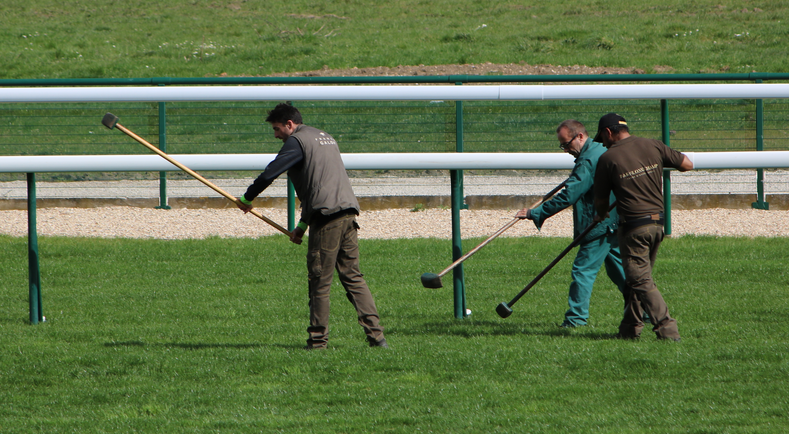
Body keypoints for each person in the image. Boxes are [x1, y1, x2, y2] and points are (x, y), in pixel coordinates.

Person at [237, 103, 387, 350]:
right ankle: (377, 338)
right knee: (353, 277)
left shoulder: (296, 142)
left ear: (289, 124)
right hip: (347, 212)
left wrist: (247, 198)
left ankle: (317, 343)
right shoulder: (324, 137)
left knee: (319, 280)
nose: (275, 135)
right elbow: (318, 184)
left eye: (277, 129)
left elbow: (270, 173)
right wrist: (302, 225)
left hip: (327, 219)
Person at [516, 119, 639, 328]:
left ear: (580, 136)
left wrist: (536, 213)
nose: (565, 150)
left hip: (599, 224)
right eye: (562, 146)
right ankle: (643, 310)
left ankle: (575, 320)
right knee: (622, 272)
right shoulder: (598, 150)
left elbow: (569, 195)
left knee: (583, 271)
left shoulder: (588, 160)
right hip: (616, 221)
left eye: (566, 144)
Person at [592, 113, 694, 341]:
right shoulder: (653, 145)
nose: (604, 144)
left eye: (603, 139)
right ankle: (629, 330)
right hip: (658, 224)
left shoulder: (608, 158)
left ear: (608, 132)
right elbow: (687, 164)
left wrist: (600, 215)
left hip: (634, 227)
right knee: (636, 279)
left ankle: (667, 329)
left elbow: (600, 202)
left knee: (640, 280)